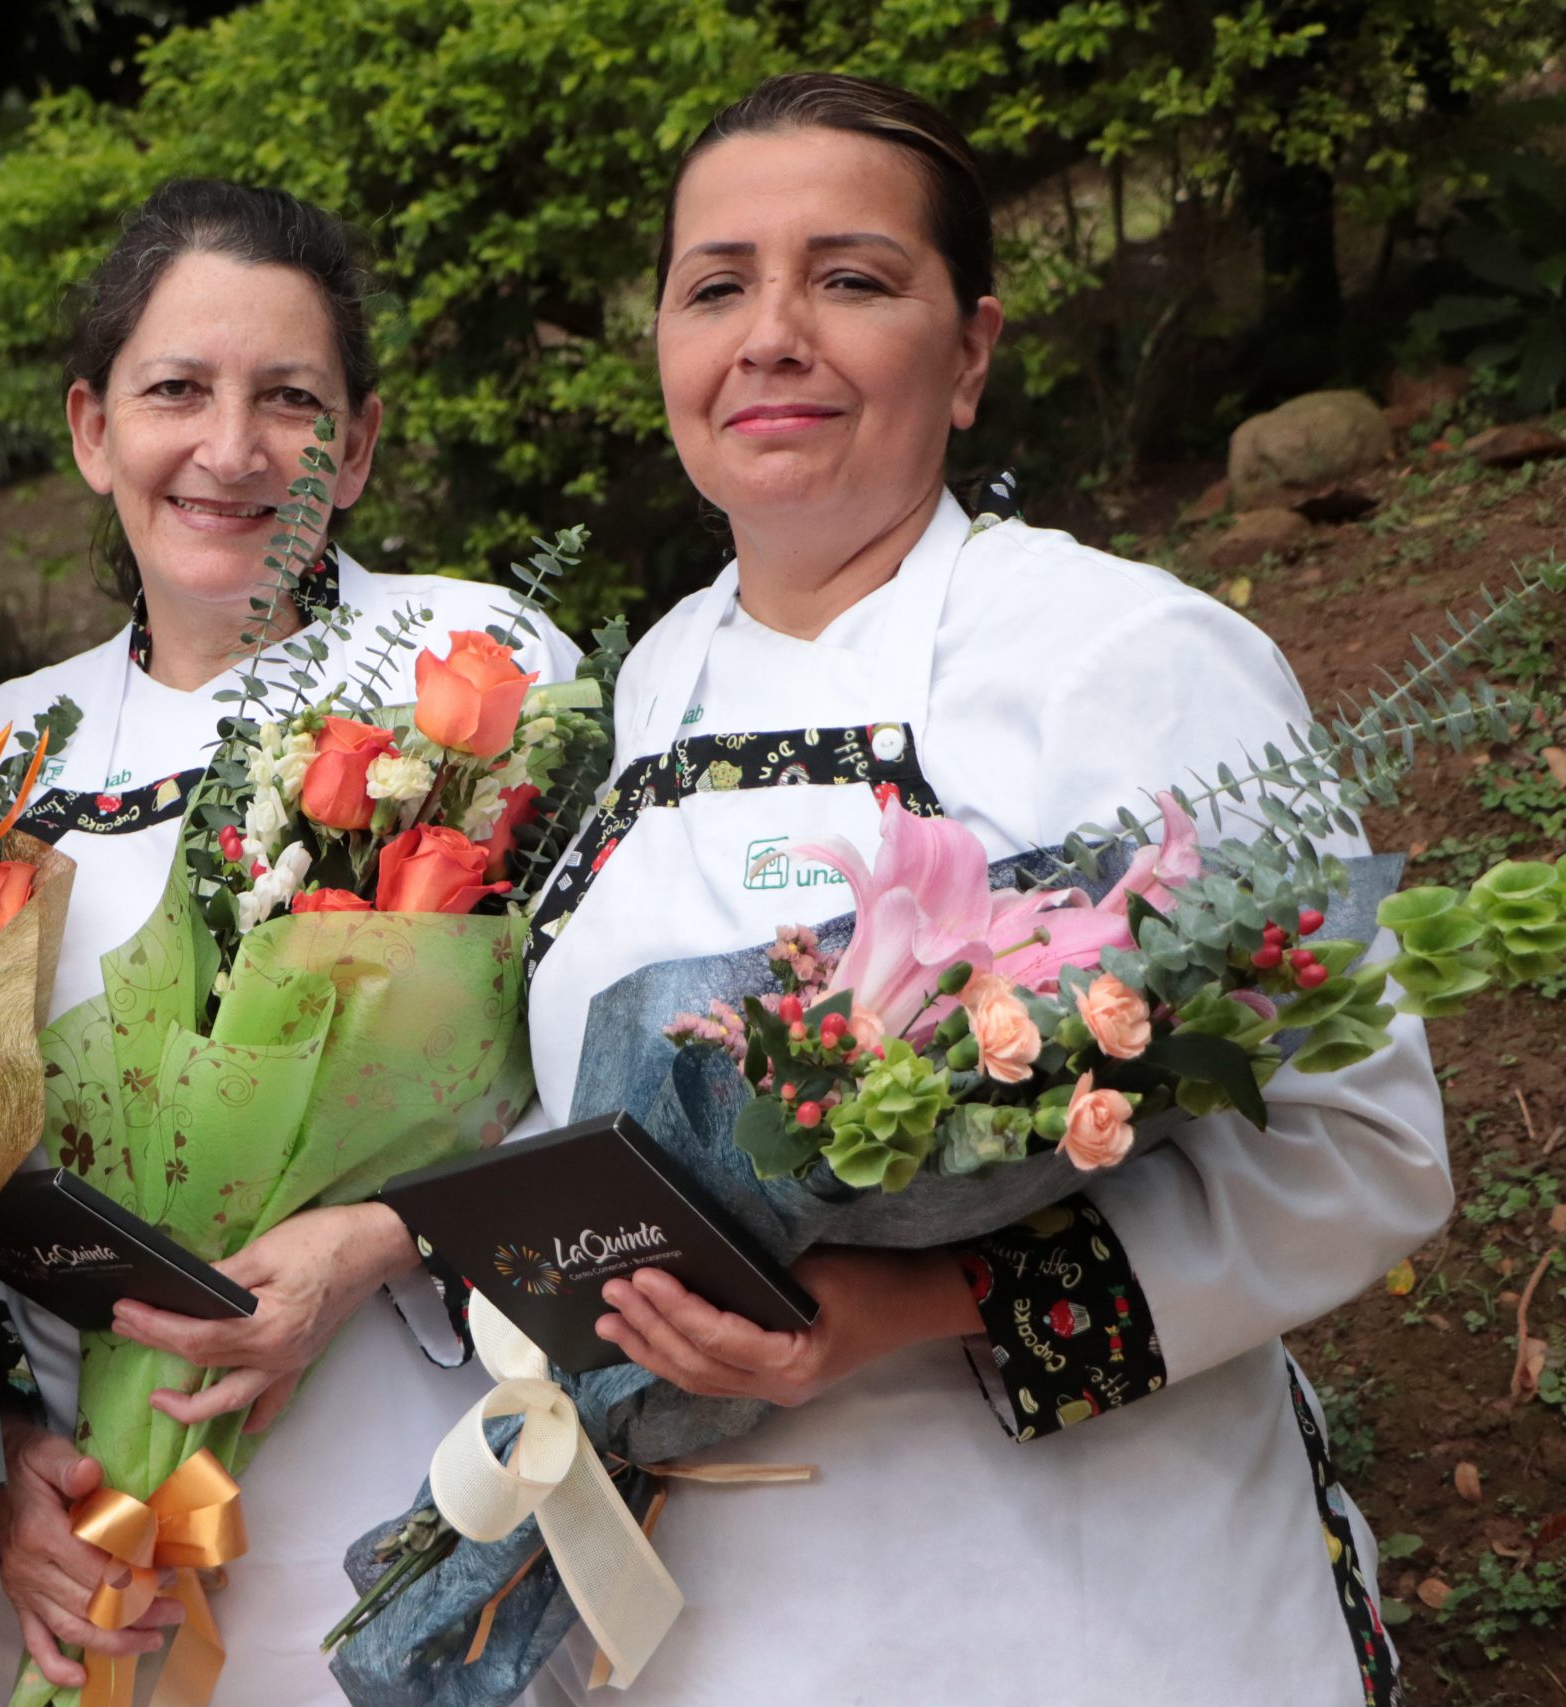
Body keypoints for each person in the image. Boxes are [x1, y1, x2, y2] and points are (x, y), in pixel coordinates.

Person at [519, 74, 1448, 1706]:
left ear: (970, 356)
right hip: (702, 1628)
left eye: (854, 279)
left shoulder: (1127, 654)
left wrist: (914, 1301)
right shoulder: (651, 683)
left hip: (1090, 1613)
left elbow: (1366, 1153)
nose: (772, 334)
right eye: (716, 284)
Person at [0, 178, 581, 1705]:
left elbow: (590, 1070)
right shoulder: (0, 753)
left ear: (354, 445)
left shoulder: (477, 666)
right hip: (77, 1533)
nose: (232, 452)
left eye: (289, 400)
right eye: (176, 392)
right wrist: (9, 1465)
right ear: (93, 429)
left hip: (397, 1454)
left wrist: (370, 1243)